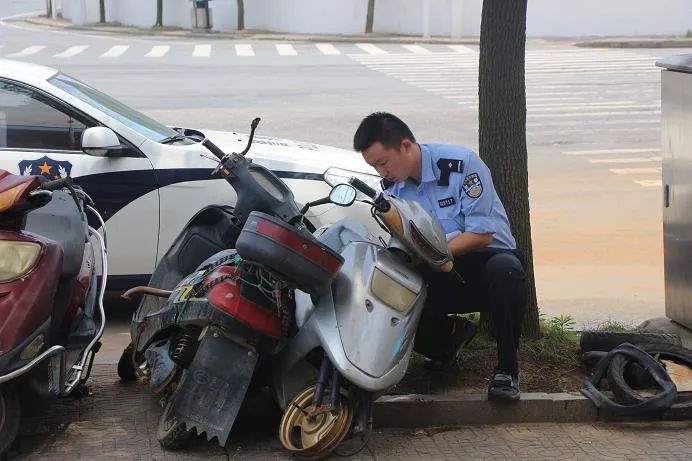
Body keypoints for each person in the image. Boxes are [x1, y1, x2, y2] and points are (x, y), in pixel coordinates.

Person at [353, 112, 527, 401]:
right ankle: (449, 340)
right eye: (374, 166)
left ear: (406, 146)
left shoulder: (461, 166)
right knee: (390, 290)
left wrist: (430, 256)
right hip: (438, 269)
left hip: (486, 261)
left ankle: (507, 371)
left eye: (384, 162)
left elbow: (482, 234)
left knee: (505, 270)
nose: (382, 172)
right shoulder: (393, 189)